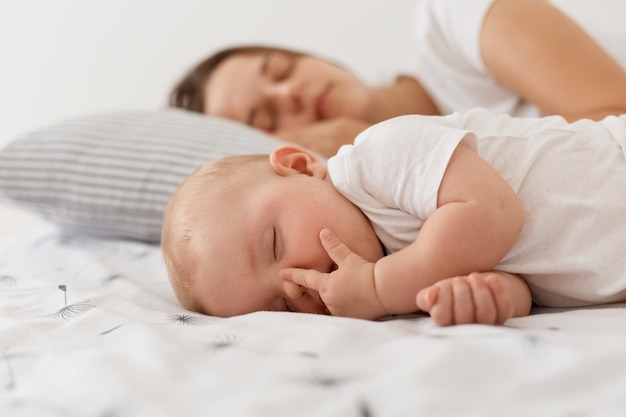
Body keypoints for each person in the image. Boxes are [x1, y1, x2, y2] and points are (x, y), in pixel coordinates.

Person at [161, 108, 626, 326]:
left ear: (300, 166)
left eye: (275, 245)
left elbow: (495, 215)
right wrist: (484, 299)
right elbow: (520, 277)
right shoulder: (406, 275)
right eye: (278, 307)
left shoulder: (377, 159)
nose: (294, 284)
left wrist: (381, 286)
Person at [170, 0, 626, 158]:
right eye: (266, 117)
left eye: (281, 69)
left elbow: (616, 123)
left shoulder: (451, 23)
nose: (288, 93)